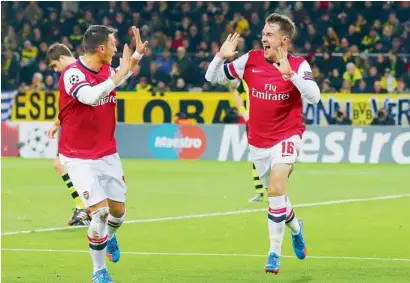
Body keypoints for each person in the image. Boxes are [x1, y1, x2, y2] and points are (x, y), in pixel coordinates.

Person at [205, 13, 321, 274]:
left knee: (277, 185)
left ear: (284, 39)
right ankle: (296, 229)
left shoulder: (298, 64)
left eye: (269, 34)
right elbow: (212, 77)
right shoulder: (251, 60)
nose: (263, 38)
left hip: (288, 136)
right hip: (258, 142)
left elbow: (314, 97)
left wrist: (291, 76)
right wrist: (221, 57)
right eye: (263, 34)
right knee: (278, 196)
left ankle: (274, 254)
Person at [56, 25, 147, 282]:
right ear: (101, 48)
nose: (116, 47)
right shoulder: (73, 74)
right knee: (100, 212)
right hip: (77, 157)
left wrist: (137, 56)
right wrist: (116, 77)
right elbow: (89, 96)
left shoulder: (107, 70)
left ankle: (111, 236)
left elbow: (122, 74)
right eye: (113, 44)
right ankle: (99, 272)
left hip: (107, 153)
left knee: (118, 212)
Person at [45, 46, 91, 226]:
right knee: (69, 166)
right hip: (80, 127)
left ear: (63, 58)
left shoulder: (72, 73)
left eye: (56, 65)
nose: (56, 70)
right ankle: (88, 208)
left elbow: (72, 105)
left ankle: (86, 208)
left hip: (80, 128)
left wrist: (57, 124)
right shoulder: (85, 66)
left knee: (62, 164)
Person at [232, 79, 267, 202]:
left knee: (272, 154)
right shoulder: (247, 78)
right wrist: (243, 111)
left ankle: (272, 190)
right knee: (256, 154)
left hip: (270, 121)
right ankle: (260, 192)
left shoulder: (273, 76)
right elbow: (236, 93)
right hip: (253, 122)